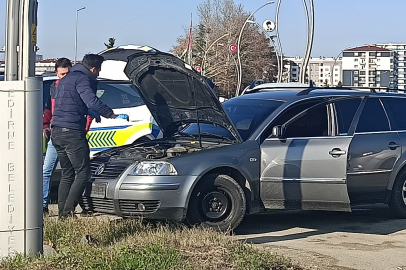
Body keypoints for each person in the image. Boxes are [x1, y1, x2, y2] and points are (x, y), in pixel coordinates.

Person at [51, 54, 128, 219]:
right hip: (72, 132)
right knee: (83, 172)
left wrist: (89, 112)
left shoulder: (66, 79)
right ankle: (67, 213)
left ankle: (62, 213)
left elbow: (71, 103)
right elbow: (91, 101)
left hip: (57, 131)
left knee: (67, 173)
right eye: (98, 70)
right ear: (93, 69)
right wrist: (111, 114)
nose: (98, 74)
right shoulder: (82, 79)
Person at [42, 57, 72, 214]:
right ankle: (43, 205)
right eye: (61, 75)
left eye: (67, 74)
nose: (64, 77)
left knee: (72, 171)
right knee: (46, 170)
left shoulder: (75, 87)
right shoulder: (54, 87)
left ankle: (71, 206)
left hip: (72, 134)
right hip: (55, 134)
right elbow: (48, 110)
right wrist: (46, 126)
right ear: (56, 73)